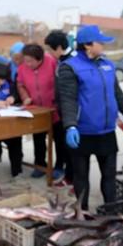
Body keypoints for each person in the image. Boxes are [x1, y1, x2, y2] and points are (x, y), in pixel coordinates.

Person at [57, 25, 123, 210]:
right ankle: (83, 213)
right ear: (88, 45)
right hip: (82, 132)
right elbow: (67, 100)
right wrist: (70, 126)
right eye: (100, 42)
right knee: (81, 177)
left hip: (106, 131)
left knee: (109, 176)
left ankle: (111, 212)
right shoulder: (70, 68)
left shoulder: (107, 65)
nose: (104, 46)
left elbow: (117, 94)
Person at [16, 43, 63, 179]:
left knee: (59, 141)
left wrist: (57, 100)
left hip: (54, 109)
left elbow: (61, 82)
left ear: (40, 59)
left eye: (31, 61)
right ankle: (40, 165)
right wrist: (25, 97)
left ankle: (60, 166)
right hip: (36, 111)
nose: (27, 64)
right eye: (26, 60)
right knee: (39, 140)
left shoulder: (52, 62)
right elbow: (20, 84)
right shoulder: (23, 67)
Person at [44, 30, 75, 186]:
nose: (48, 53)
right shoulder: (61, 61)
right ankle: (68, 177)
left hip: (71, 113)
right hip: (62, 111)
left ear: (58, 47)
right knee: (65, 146)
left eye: (50, 49)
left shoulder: (71, 62)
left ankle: (72, 179)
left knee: (72, 150)